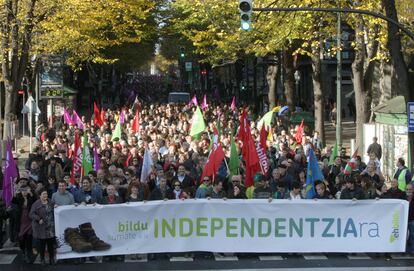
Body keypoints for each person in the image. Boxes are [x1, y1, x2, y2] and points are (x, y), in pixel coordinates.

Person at [29, 189, 55, 265]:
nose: (45, 196)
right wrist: (38, 219)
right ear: (40, 195)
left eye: (46, 194)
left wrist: (56, 206)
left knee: (50, 245)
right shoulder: (36, 204)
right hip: (41, 228)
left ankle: (51, 258)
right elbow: (31, 214)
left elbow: (56, 209)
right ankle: (42, 258)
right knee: (42, 245)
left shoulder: (51, 202)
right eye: (43, 194)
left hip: (50, 227)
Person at [11, 185, 36, 263]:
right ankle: (23, 251)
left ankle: (28, 254)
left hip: (29, 221)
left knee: (29, 238)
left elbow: (35, 203)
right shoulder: (18, 198)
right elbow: (13, 201)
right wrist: (15, 194)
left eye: (26, 190)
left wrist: (31, 194)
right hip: (21, 221)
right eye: (23, 191)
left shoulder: (30, 198)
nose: (24, 192)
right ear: (21, 192)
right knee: (22, 238)